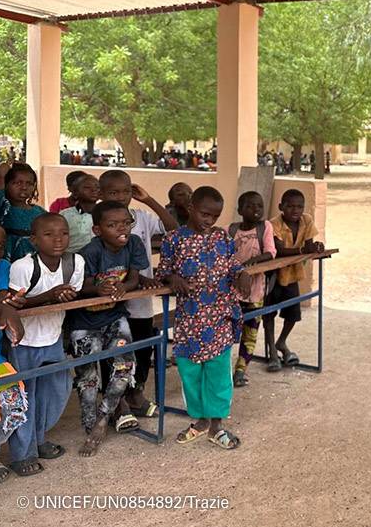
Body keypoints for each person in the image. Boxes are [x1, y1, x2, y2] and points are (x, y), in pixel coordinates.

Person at [157, 186, 251, 450]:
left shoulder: (221, 237)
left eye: (215, 216)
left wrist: (242, 273)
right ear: (190, 208)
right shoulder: (174, 239)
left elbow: (232, 263)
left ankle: (217, 425)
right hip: (190, 319)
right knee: (190, 372)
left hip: (219, 316)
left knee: (219, 372)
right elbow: (162, 270)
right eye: (205, 214)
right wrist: (172, 277)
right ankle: (199, 421)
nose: (209, 220)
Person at [7, 213, 84, 476]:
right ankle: (22, 455)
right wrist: (48, 296)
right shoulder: (23, 266)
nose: (58, 239)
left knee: (54, 392)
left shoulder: (75, 262)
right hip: (23, 342)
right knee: (25, 398)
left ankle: (39, 440)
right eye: (49, 234)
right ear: (34, 239)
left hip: (53, 337)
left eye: (63, 233)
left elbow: (74, 294)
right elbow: (14, 304)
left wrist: (65, 296)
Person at [71, 201, 149, 455]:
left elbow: (134, 278)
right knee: (88, 379)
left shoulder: (134, 244)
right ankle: (89, 428)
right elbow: (79, 288)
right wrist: (97, 289)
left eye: (126, 223)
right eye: (112, 225)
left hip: (115, 316)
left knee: (124, 367)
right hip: (84, 323)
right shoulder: (89, 252)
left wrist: (124, 287)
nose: (121, 229)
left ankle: (102, 420)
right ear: (97, 230)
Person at [97, 170, 177, 418]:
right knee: (116, 350)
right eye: (114, 192)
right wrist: (135, 278)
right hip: (113, 300)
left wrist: (149, 200)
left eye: (126, 191)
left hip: (141, 301)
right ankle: (116, 402)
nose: (121, 197)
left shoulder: (141, 216)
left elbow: (173, 229)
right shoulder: (100, 222)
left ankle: (136, 394)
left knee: (143, 348)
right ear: (101, 195)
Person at [268, 189, 324, 369]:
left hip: (292, 274)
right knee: (269, 313)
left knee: (293, 313)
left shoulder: (306, 220)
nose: (295, 210)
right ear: (281, 207)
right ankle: (272, 354)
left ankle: (281, 343)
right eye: (290, 206)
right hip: (274, 276)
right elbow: (279, 251)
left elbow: (308, 245)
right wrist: (303, 251)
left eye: (299, 206)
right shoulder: (273, 224)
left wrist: (316, 247)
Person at [230, 191, 277, 386]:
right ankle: (222, 367)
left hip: (256, 291)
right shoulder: (231, 231)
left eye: (259, 205)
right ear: (240, 210)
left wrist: (250, 265)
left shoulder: (265, 227)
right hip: (232, 291)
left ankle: (241, 369)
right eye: (250, 206)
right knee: (228, 329)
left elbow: (270, 252)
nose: (256, 210)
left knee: (251, 331)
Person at [0, 229, 28, 484]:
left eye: (0, 245)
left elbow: (2, 295)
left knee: (13, 406)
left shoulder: (2, 266)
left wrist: (5, 305)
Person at [0, 163, 47, 262]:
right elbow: (2, 170)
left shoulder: (40, 213)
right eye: (18, 183)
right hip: (5, 263)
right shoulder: (2, 208)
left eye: (29, 183)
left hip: (31, 267)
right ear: (6, 184)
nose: (24, 187)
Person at [60, 173, 100, 254]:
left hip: (97, 258)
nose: (94, 190)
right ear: (75, 193)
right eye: (87, 187)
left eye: (97, 187)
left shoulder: (105, 214)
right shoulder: (65, 215)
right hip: (71, 258)